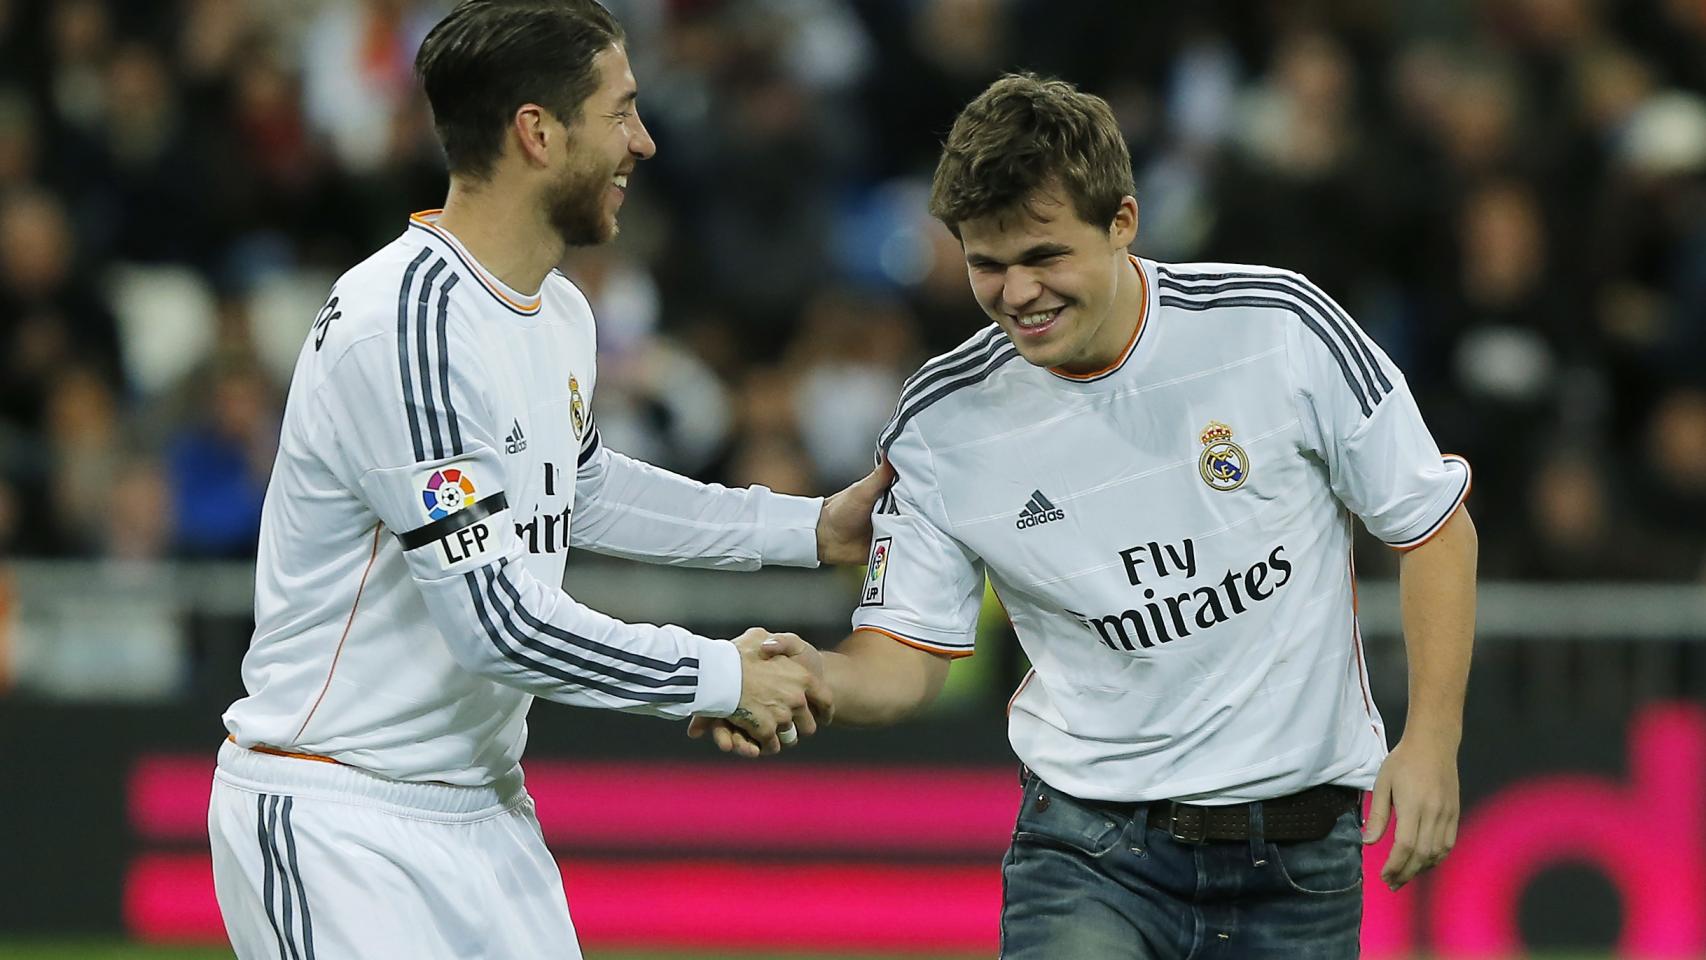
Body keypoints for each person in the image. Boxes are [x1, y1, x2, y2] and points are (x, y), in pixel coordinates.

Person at [694, 73, 1478, 958]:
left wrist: (1432, 741)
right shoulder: (942, 422)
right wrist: (819, 682)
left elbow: (1434, 526)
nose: (1016, 292)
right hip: (1089, 852)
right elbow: (906, 657)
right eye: (986, 264)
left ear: (1123, 222)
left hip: (1299, 861)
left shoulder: (1278, 329)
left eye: (1043, 256)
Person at [206, 2, 884, 957]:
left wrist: (808, 530)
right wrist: (718, 676)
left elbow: (584, 488)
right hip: (338, 818)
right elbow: (499, 623)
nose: (643, 144)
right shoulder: (406, 329)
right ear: (537, 132)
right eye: (622, 112)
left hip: (484, 811)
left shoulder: (556, 311)